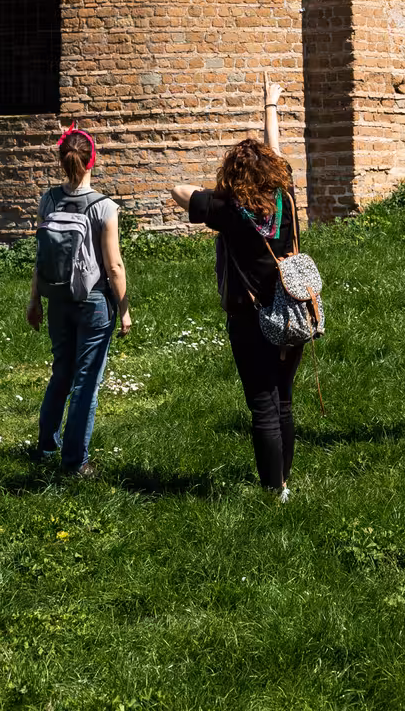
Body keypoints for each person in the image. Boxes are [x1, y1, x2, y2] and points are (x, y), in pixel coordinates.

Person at [171, 76, 303, 501]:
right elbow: (278, 157)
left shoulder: (228, 211)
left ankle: (272, 490)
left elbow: (179, 191)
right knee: (282, 399)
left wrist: (222, 195)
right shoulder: (286, 196)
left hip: (251, 318)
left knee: (262, 404)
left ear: (232, 178)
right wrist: (270, 108)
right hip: (293, 311)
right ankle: (284, 482)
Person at [26, 127, 130, 476]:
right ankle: (75, 462)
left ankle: (45, 446)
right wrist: (126, 309)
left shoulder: (49, 200)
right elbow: (113, 265)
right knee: (86, 382)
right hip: (94, 301)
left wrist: (34, 300)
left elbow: (41, 256)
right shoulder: (105, 207)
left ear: (62, 161)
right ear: (92, 161)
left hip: (57, 298)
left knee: (62, 373)